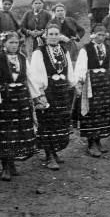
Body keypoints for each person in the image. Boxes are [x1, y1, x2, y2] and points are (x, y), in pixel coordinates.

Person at [0, 31, 37, 181]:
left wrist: (37, 96)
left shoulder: (22, 58)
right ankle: (5, 166)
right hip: (6, 100)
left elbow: (30, 78)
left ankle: (13, 163)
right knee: (5, 132)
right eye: (11, 43)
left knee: (18, 131)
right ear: (3, 44)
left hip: (21, 99)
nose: (14, 46)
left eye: (16, 43)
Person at [30, 23, 76, 170]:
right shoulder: (40, 52)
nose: (54, 37)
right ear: (46, 35)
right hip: (48, 90)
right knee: (48, 122)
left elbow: (69, 69)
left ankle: (55, 151)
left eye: (57, 34)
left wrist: (72, 84)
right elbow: (36, 73)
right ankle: (49, 155)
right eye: (51, 34)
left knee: (60, 122)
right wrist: (40, 93)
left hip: (62, 91)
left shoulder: (63, 50)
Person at [74, 25, 110, 157]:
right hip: (91, 84)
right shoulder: (86, 49)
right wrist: (79, 82)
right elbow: (81, 66)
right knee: (92, 111)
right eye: (98, 34)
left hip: (105, 84)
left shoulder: (108, 48)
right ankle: (91, 143)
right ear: (92, 35)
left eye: (103, 35)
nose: (100, 37)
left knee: (102, 111)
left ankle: (98, 140)